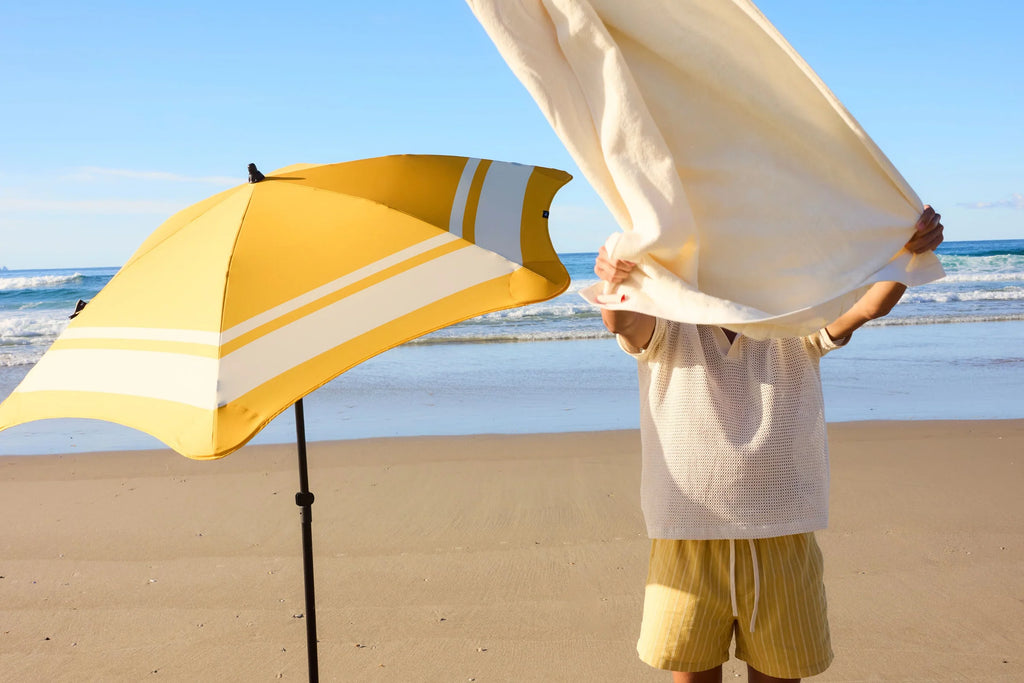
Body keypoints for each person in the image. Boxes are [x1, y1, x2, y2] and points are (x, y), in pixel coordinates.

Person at [594, 207, 945, 683]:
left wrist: (908, 256)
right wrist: (617, 281)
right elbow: (622, 323)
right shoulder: (669, 322)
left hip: (782, 529)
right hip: (688, 531)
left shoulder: (793, 320)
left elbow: (867, 307)